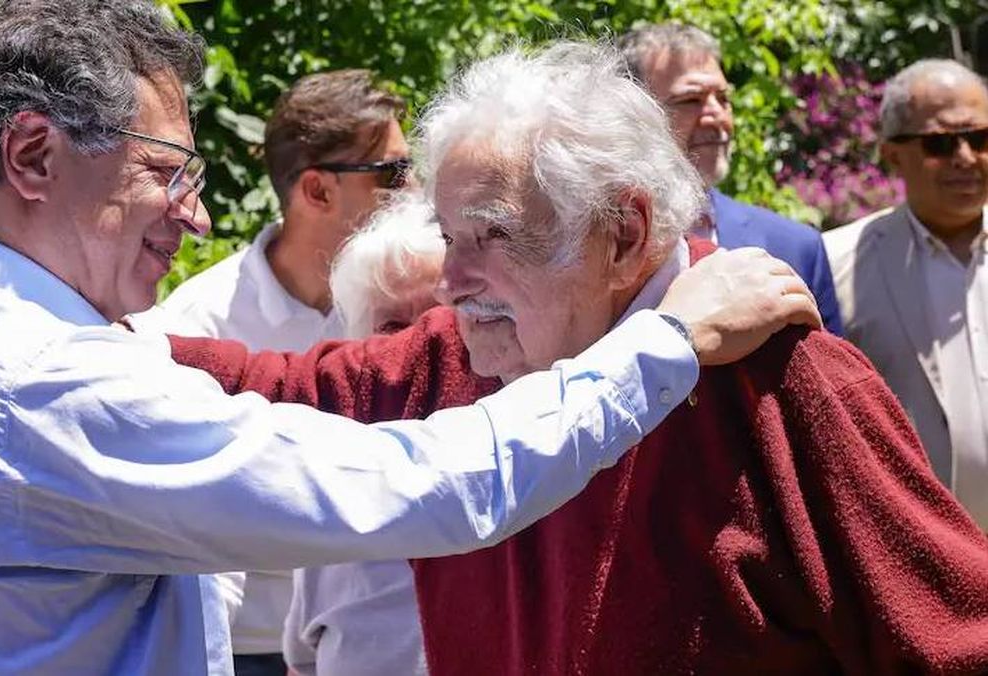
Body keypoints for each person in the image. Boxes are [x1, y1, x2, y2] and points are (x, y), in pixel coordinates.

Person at [0, 3, 818, 673]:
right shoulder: (29, 383)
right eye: (168, 172)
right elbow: (425, 487)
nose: (198, 218)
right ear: (31, 156)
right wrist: (668, 341)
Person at [171, 41, 988, 674]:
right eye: (449, 238)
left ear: (624, 233)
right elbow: (270, 386)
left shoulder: (783, 382)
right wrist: (101, 343)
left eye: (492, 236)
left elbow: (954, 640)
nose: (451, 283)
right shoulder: (452, 360)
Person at [129, 70, 410, 674]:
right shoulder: (200, 323)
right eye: (392, 173)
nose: (412, 192)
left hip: (366, 631)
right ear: (317, 190)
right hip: (245, 645)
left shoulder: (404, 302)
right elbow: (191, 515)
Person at [283, 192, 444, 676]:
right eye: (392, 325)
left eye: (441, 319)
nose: (417, 346)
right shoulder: (330, 493)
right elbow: (302, 661)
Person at [825, 59, 988, 529]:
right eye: (940, 143)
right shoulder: (839, 263)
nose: (965, 157)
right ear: (892, 154)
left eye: (979, 138)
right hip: (918, 546)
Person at [619, 23, 844, 336]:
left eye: (723, 99)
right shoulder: (595, 244)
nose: (718, 117)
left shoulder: (797, 248)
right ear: (634, 112)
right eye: (691, 100)